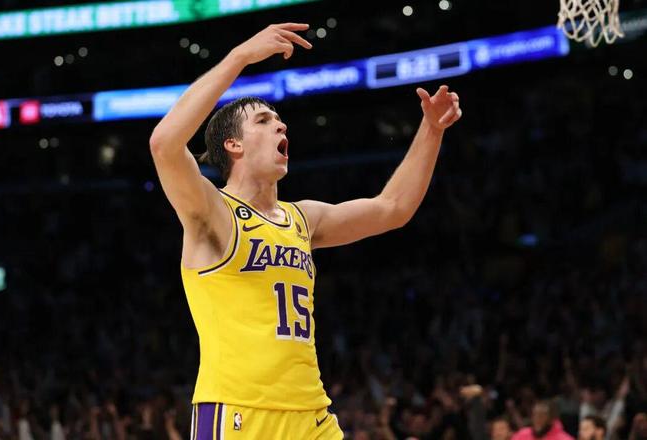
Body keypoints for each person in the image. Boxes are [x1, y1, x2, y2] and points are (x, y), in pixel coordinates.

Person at [149, 22, 461, 439]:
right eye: (264, 121)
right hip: (240, 415)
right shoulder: (214, 214)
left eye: (280, 121)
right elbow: (164, 144)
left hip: (312, 415)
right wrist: (241, 56)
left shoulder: (303, 219)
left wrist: (432, 130)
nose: (281, 127)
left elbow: (393, 208)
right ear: (233, 145)